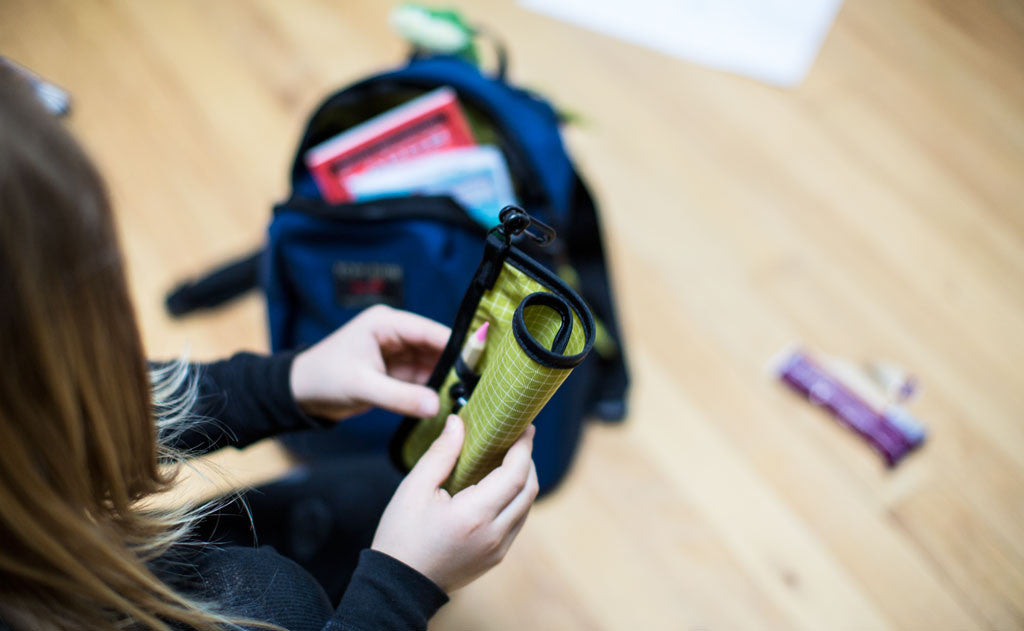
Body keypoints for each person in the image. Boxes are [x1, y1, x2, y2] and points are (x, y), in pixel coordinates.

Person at [0, 66, 538, 631]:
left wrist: (284, 384)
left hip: (87, 557)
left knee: (376, 494)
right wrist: (399, 591)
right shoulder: (265, 606)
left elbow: (59, 421)